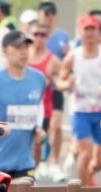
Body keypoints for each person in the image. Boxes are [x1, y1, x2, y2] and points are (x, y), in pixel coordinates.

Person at [58, 14, 101, 192]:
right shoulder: (73, 56)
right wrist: (67, 83)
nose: (90, 33)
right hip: (81, 110)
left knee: (100, 160)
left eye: (93, 29)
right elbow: (60, 81)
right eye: (86, 29)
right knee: (85, 153)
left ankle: (90, 176)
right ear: (80, 32)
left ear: (98, 32)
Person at [0, 30, 45, 180]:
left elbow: (38, 107)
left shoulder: (39, 79)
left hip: (25, 163)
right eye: (18, 48)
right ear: (5, 52)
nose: (23, 52)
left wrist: (38, 128)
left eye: (26, 48)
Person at [27, 20, 61, 175]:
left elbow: (63, 78)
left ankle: (34, 169)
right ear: (30, 35)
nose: (39, 38)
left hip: (43, 107)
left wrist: (59, 82)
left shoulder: (53, 59)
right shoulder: (23, 55)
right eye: (35, 34)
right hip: (22, 105)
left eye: (43, 35)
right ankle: (25, 170)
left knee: (38, 142)